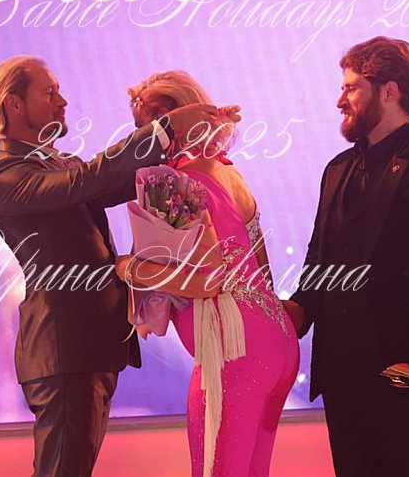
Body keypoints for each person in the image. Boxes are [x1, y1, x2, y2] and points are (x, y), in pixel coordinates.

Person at [0, 56, 238, 477]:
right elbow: (89, 180)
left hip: (88, 349)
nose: (63, 102)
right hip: (64, 351)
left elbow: (118, 180)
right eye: (49, 93)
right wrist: (164, 129)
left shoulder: (60, 164)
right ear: (14, 104)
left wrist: (181, 139)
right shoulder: (7, 176)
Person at [281, 37, 409, 476]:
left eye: (352, 88)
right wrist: (292, 314)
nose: (340, 100)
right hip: (345, 378)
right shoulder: (336, 170)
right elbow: (319, 263)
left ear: (389, 91)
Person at [116, 70, 300, 477]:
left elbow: (209, 279)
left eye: (143, 130)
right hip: (278, 343)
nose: (139, 143)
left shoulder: (171, 182)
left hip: (232, 352)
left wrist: (129, 268)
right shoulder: (228, 171)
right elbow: (262, 270)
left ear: (169, 121)